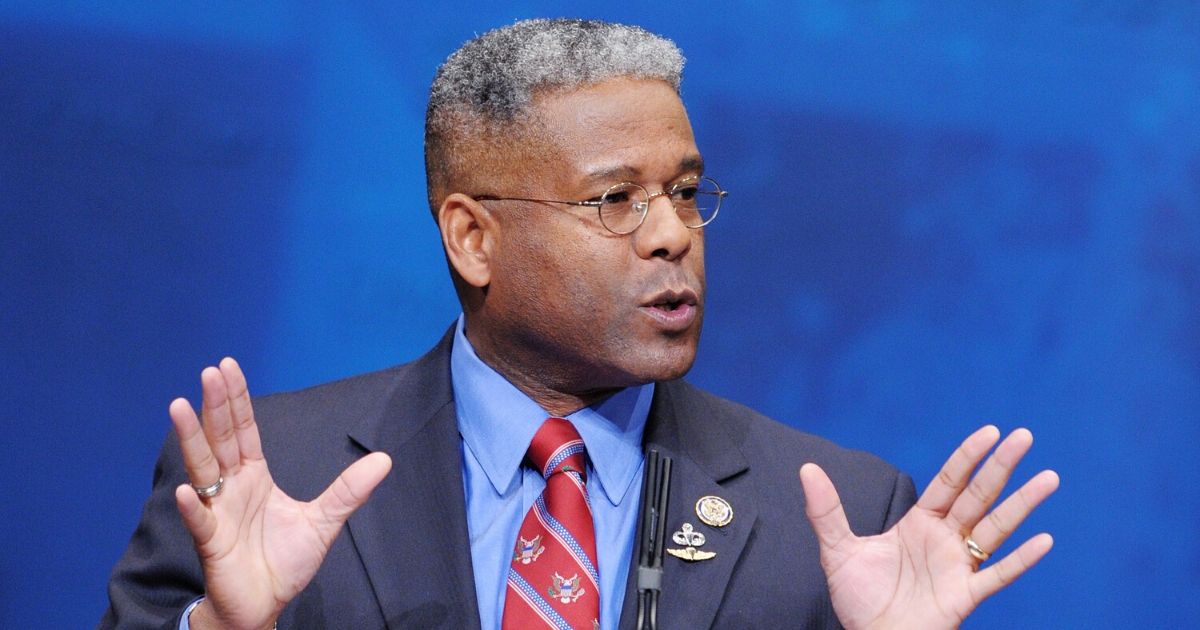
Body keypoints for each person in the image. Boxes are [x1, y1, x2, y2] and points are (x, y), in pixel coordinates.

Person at [101, 18, 1058, 630]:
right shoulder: (271, 473)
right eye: (615, 201)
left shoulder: (841, 513)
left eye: (685, 193)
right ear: (473, 239)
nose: (673, 235)